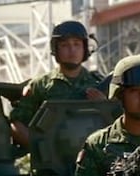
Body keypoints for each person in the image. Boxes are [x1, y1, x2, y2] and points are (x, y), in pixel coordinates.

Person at [9, 20, 107, 148]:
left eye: (77, 44)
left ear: (85, 48)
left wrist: (105, 105)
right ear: (56, 49)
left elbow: (120, 124)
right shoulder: (41, 85)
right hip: (53, 165)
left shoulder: (99, 84)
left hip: (93, 161)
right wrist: (41, 149)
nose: (72, 50)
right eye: (65, 45)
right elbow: (16, 124)